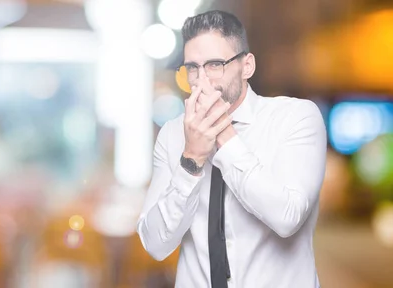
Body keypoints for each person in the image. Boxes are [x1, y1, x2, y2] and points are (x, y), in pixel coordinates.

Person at [137, 10, 327, 288]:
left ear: (246, 66)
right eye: (192, 67)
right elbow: (155, 244)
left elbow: (287, 218)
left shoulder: (296, 118)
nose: (201, 81)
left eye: (214, 64)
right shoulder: (172, 135)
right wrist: (191, 160)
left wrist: (223, 135)